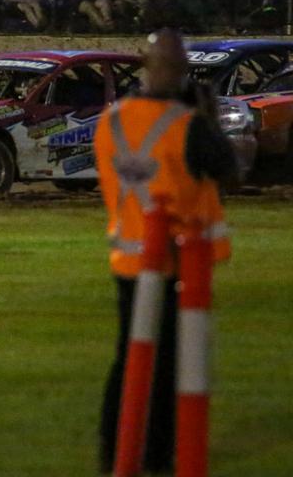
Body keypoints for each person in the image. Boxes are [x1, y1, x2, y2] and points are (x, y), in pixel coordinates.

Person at [94, 29, 235, 475]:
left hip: (128, 255)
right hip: (177, 261)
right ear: (180, 71)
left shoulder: (111, 120)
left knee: (130, 363)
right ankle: (157, 454)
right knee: (170, 365)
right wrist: (206, 116)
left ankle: (115, 451)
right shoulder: (184, 124)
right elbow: (227, 168)